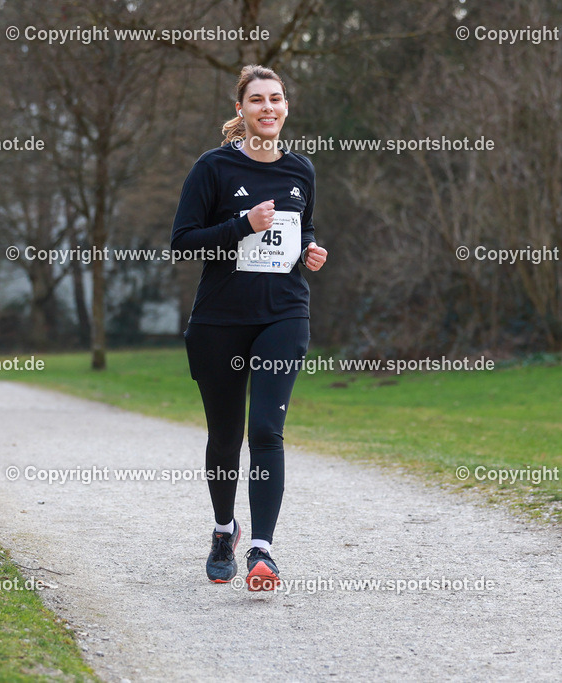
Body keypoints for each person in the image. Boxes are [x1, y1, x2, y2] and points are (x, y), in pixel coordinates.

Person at [171, 64, 328, 591]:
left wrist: (310, 252)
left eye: (276, 99)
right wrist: (243, 226)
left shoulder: (301, 170)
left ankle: (263, 550)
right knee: (225, 436)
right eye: (257, 99)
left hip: (284, 312)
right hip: (219, 320)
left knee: (265, 430)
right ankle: (223, 531)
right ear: (241, 110)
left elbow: (299, 234)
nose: (267, 107)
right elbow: (183, 242)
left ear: (286, 108)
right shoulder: (212, 168)